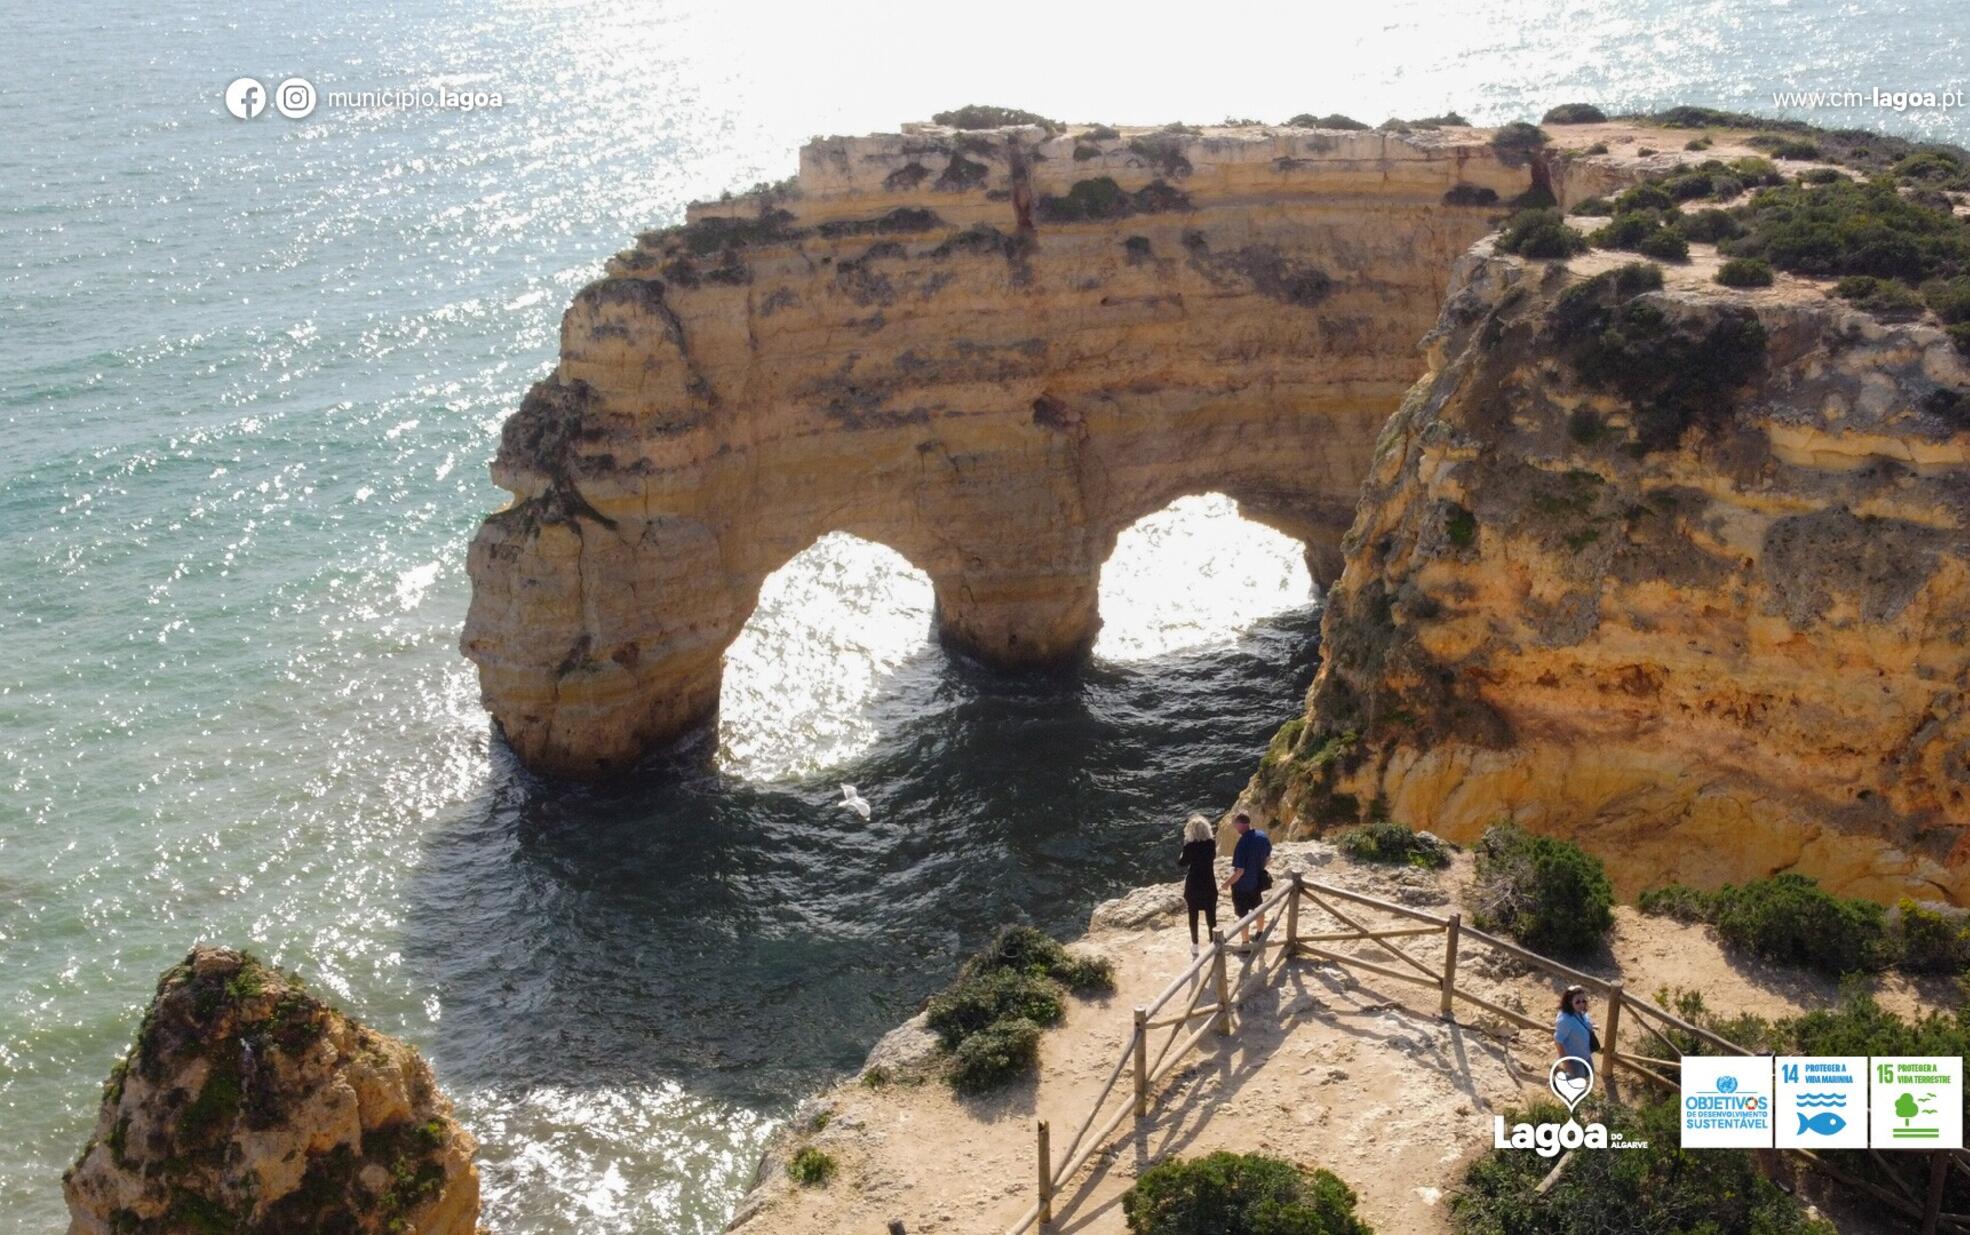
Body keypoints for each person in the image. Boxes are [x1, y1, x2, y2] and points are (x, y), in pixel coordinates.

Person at [1224, 812, 1272, 950]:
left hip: (1242, 886)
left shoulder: (1242, 843)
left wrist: (1227, 883)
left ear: (1241, 824)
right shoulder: (1262, 836)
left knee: (1243, 915)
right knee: (1258, 908)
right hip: (1257, 882)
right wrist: (1258, 868)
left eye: (1235, 824)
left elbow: (1239, 871)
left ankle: (1245, 947)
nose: (1234, 827)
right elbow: (1268, 858)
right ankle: (1260, 934)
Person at [1176, 813, 1219, 957]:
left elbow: (1181, 863)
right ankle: (1214, 942)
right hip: (1209, 884)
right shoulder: (1211, 844)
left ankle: (1195, 945)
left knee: (1193, 915)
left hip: (1193, 885)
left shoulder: (1190, 847)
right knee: (1211, 915)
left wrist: (1185, 846)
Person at [1554, 984, 1598, 1080]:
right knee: (1577, 1081)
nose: (1581, 1004)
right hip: (1574, 1059)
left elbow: (1583, 1024)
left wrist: (1591, 1026)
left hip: (1585, 1053)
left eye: (1583, 1001)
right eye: (1577, 1002)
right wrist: (1567, 1066)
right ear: (1570, 1002)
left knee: (1588, 1074)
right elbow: (1558, 1042)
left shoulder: (1581, 1012)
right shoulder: (1565, 1020)